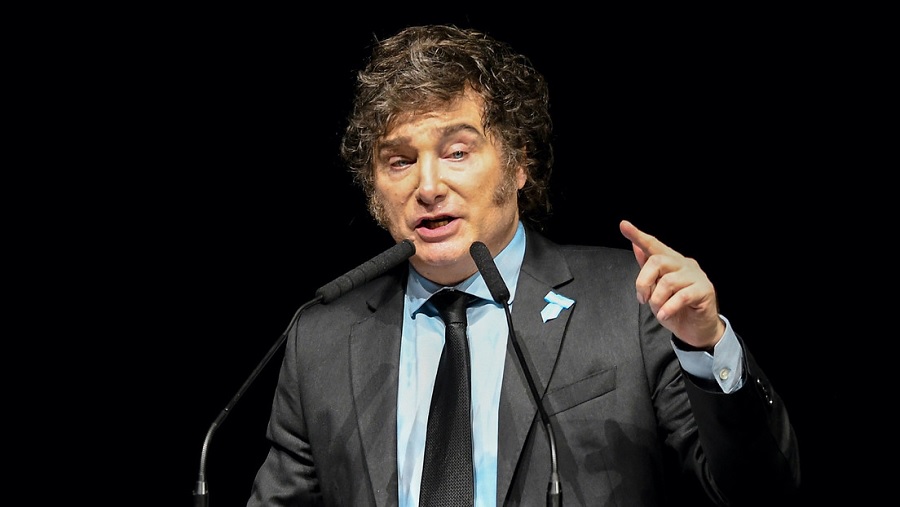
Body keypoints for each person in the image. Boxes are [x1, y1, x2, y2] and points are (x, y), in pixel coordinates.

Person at [247, 24, 800, 506]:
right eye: (399, 161)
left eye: (457, 152)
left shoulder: (630, 302)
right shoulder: (321, 340)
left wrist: (707, 346)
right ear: (374, 190)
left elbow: (759, 491)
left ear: (518, 164)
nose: (428, 186)